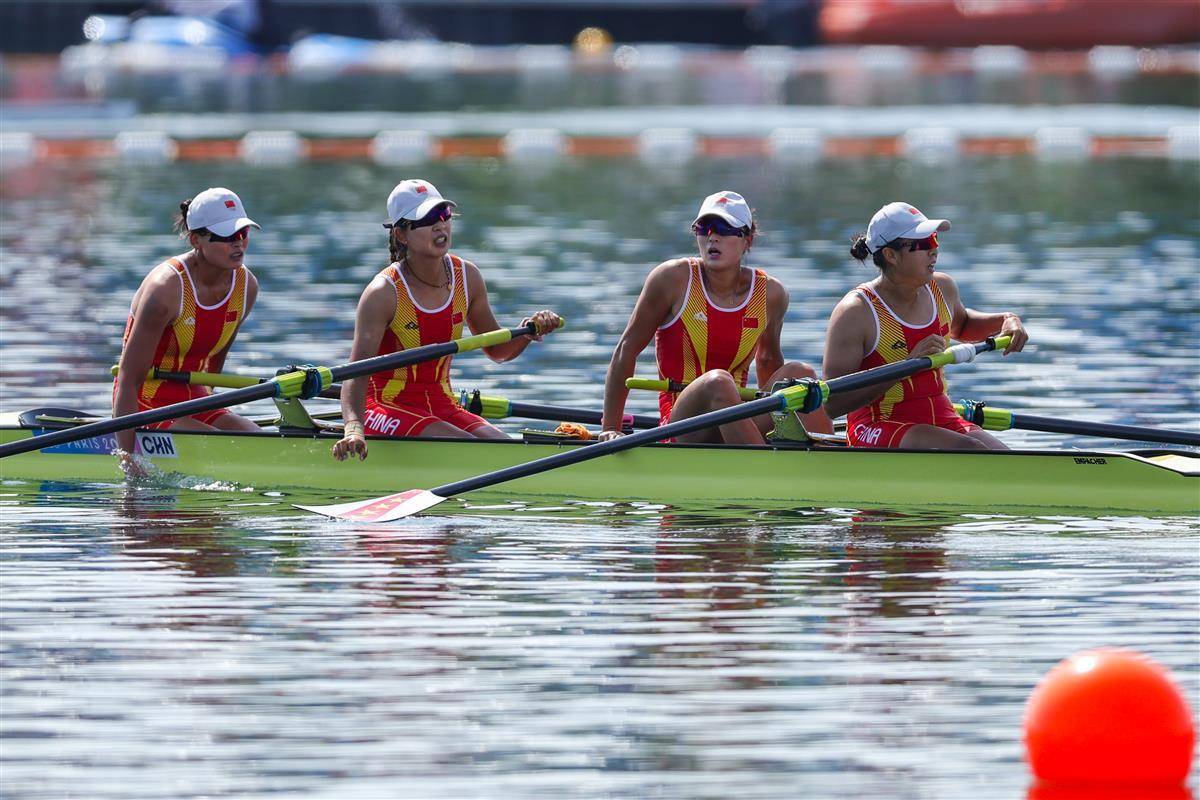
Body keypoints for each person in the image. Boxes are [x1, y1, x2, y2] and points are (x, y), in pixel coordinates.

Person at [333, 179, 562, 460]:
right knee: (470, 450)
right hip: (382, 407)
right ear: (402, 234)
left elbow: (497, 351)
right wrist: (353, 428)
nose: (441, 225)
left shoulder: (468, 277)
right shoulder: (383, 292)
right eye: (428, 219)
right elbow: (354, 373)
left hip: (442, 404)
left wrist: (528, 331)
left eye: (444, 215)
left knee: (507, 449)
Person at [599, 190, 833, 444]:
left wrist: (784, 418)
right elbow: (626, 349)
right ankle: (761, 467)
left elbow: (767, 362)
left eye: (724, 228)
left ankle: (831, 461)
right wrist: (611, 427)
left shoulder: (770, 294)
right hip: (682, 424)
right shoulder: (672, 279)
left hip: (739, 417)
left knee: (802, 374)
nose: (713, 236)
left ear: (748, 240)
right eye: (704, 227)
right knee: (718, 382)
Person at [822, 201, 1029, 450]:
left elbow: (963, 326)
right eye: (923, 244)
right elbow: (833, 404)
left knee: (1005, 458)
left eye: (934, 239)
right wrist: (908, 366)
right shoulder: (856, 312)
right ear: (891, 255)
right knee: (972, 451)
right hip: (876, 425)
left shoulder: (942, 288)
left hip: (941, 417)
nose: (934, 250)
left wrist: (1007, 319)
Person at [112, 187, 261, 469]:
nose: (238, 244)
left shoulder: (246, 287)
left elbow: (215, 364)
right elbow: (128, 379)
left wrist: (211, 411)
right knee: (220, 448)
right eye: (226, 237)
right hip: (145, 404)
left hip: (196, 399)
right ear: (196, 239)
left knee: (259, 440)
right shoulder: (165, 290)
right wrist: (127, 458)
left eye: (243, 233)